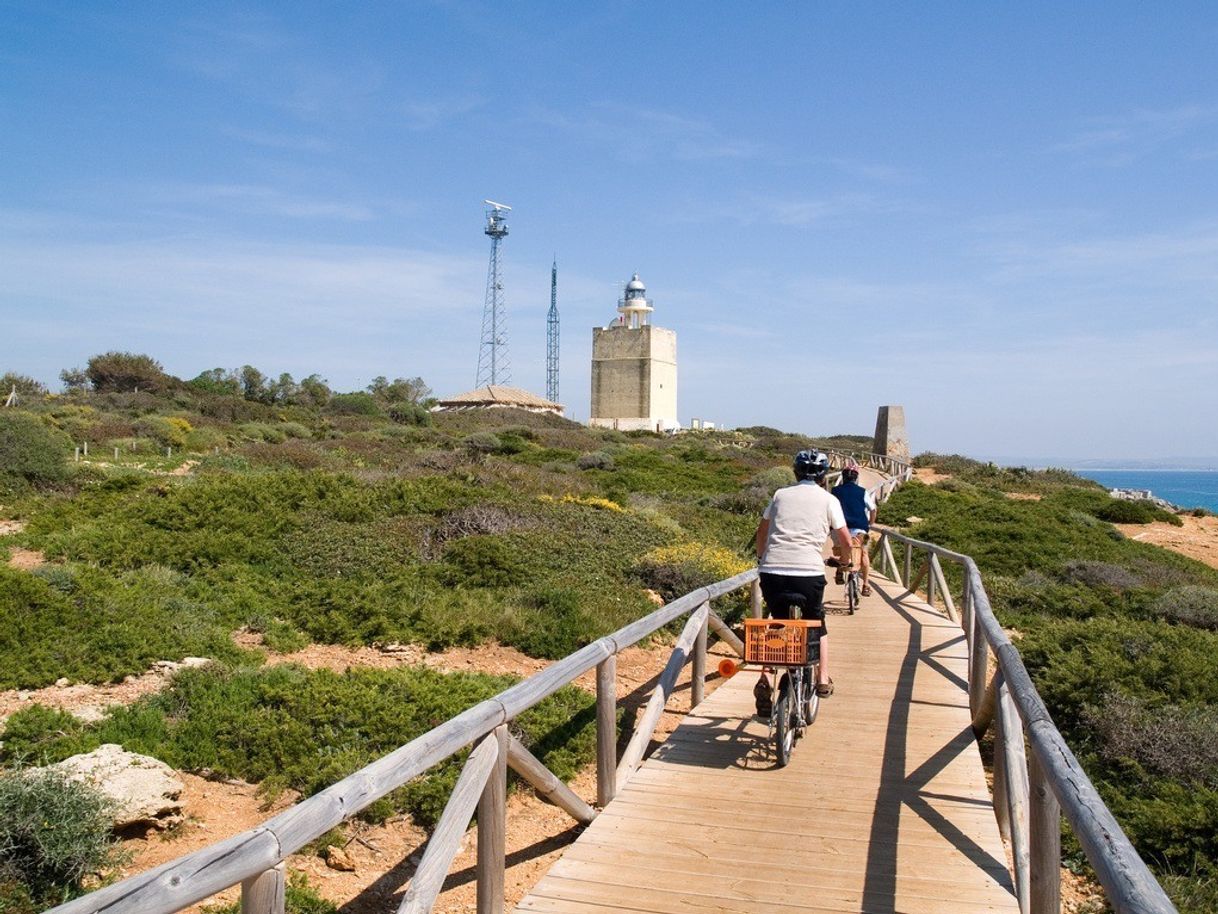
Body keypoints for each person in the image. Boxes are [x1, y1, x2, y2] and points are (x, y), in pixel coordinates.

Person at [754, 449, 855, 707]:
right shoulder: (829, 500)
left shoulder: (780, 495)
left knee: (776, 622)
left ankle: (765, 676)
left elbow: (762, 534)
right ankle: (822, 678)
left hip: (772, 571)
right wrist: (845, 562)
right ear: (823, 476)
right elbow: (844, 539)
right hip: (808, 574)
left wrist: (761, 559)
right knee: (816, 624)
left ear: (795, 472)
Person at [830, 459, 878, 596]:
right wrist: (871, 523)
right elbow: (873, 509)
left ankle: (839, 571)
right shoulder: (862, 492)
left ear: (843, 477)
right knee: (863, 553)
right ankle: (866, 585)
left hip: (840, 529)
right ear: (856, 478)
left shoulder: (835, 491)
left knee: (841, 549)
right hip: (859, 529)